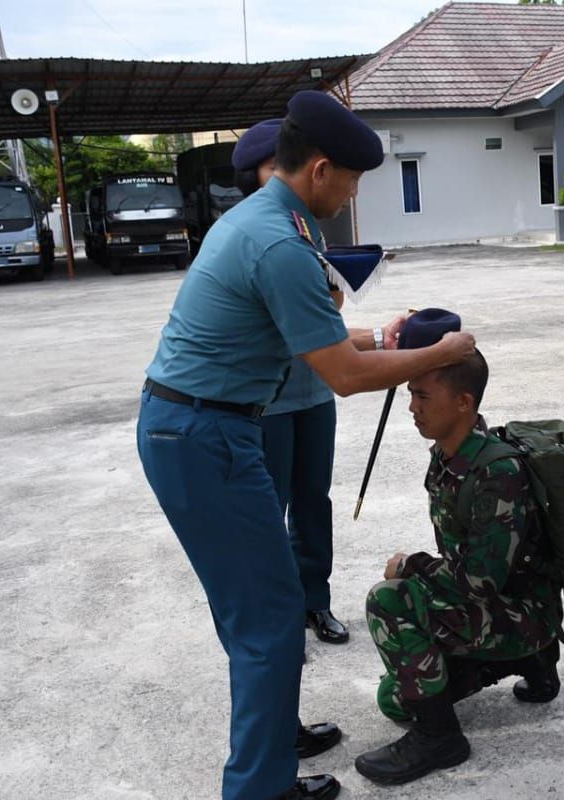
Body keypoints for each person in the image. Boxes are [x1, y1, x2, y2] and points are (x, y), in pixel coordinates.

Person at [136, 90, 476, 800]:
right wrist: (440, 351)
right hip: (205, 437)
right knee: (267, 620)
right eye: (352, 179)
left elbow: (317, 341)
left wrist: (385, 338)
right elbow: (345, 377)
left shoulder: (273, 223)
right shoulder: (278, 242)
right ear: (321, 169)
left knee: (265, 606)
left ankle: (271, 735)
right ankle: (260, 788)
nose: (354, 193)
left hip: (203, 426)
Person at [355, 311, 562, 785]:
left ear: (464, 402)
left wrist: (413, 565)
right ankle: (526, 661)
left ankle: (441, 738)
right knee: (396, 698)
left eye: (423, 396)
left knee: (390, 600)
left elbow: (478, 580)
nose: (412, 407)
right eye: (411, 395)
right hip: (496, 607)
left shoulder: (496, 472)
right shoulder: (447, 456)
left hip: (522, 610)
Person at [233, 119, 351, 646]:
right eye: (268, 168)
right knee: (271, 507)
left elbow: (332, 306)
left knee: (312, 500)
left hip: (313, 392)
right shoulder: (255, 233)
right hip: (270, 402)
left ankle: (315, 601)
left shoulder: (307, 228)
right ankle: (280, 612)